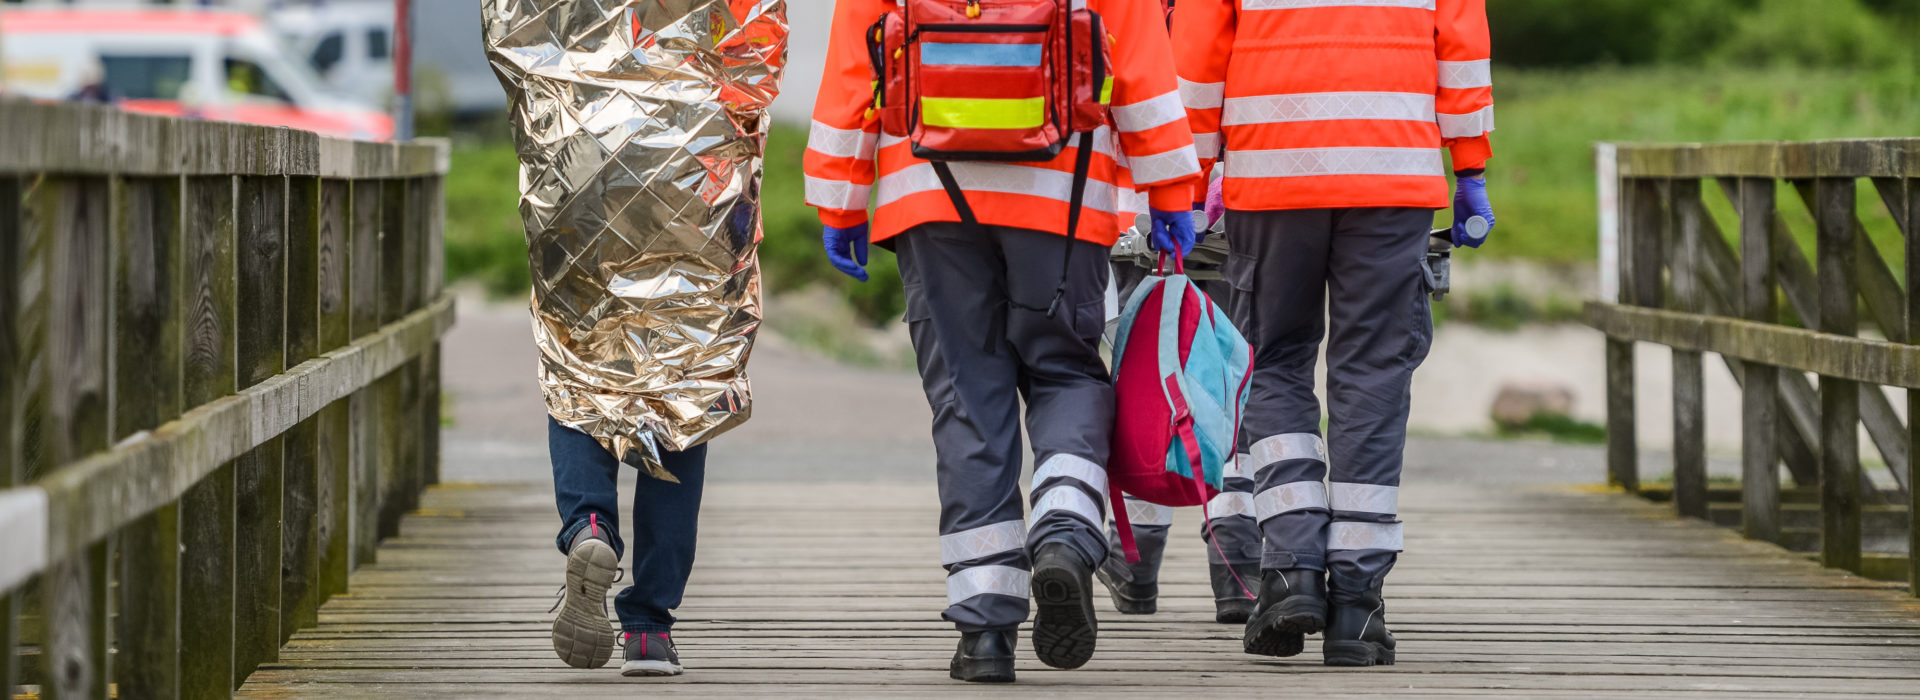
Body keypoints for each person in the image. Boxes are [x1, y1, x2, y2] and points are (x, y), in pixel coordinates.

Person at [807, 0, 1202, 683]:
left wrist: (839, 201)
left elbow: (855, 66)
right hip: (1064, 196)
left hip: (926, 194)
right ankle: (1067, 530)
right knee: (1068, 374)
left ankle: (985, 627)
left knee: (967, 396)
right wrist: (1170, 190)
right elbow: (1139, 63)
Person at [1173, 0, 1496, 667]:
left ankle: (1290, 565)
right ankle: (1357, 602)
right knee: (1373, 371)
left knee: (1275, 361)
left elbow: (1199, 59)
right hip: (1393, 176)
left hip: (1271, 178)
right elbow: (1461, 49)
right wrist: (1470, 168)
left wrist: (1192, 172)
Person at [483, 0, 788, 678]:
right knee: (684, 385)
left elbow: (508, 30)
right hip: (693, 158)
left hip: (580, 151)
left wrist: (547, 113)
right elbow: (759, 41)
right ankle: (649, 625)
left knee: (579, 361)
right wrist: (732, 122)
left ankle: (589, 528)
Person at [1098, 177, 1264, 626]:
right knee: (1229, 383)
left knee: (1148, 387)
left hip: (1145, 210)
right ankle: (1238, 563)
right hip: (1236, 203)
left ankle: (1134, 563)